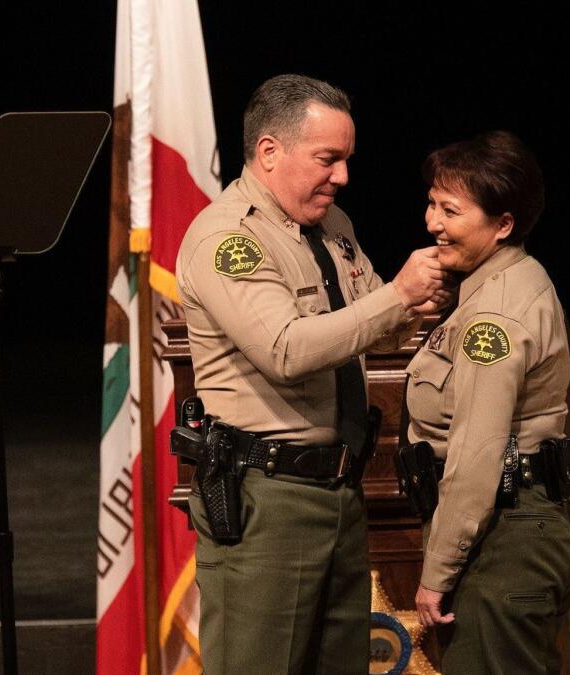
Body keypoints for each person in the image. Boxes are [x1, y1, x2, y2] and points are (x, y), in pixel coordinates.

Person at [176, 74, 449, 674]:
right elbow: (285, 349)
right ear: (270, 151)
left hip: (339, 493)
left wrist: (424, 300)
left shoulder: (333, 228)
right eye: (328, 159)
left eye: (347, 160)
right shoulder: (229, 239)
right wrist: (398, 298)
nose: (343, 176)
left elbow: (375, 318)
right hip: (268, 501)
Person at [406, 131, 570, 672]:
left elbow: (478, 454)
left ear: (502, 224)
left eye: (451, 210)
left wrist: (437, 574)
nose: (433, 222)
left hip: (501, 539)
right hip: (511, 531)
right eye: (432, 203)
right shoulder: (495, 285)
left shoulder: (492, 317)